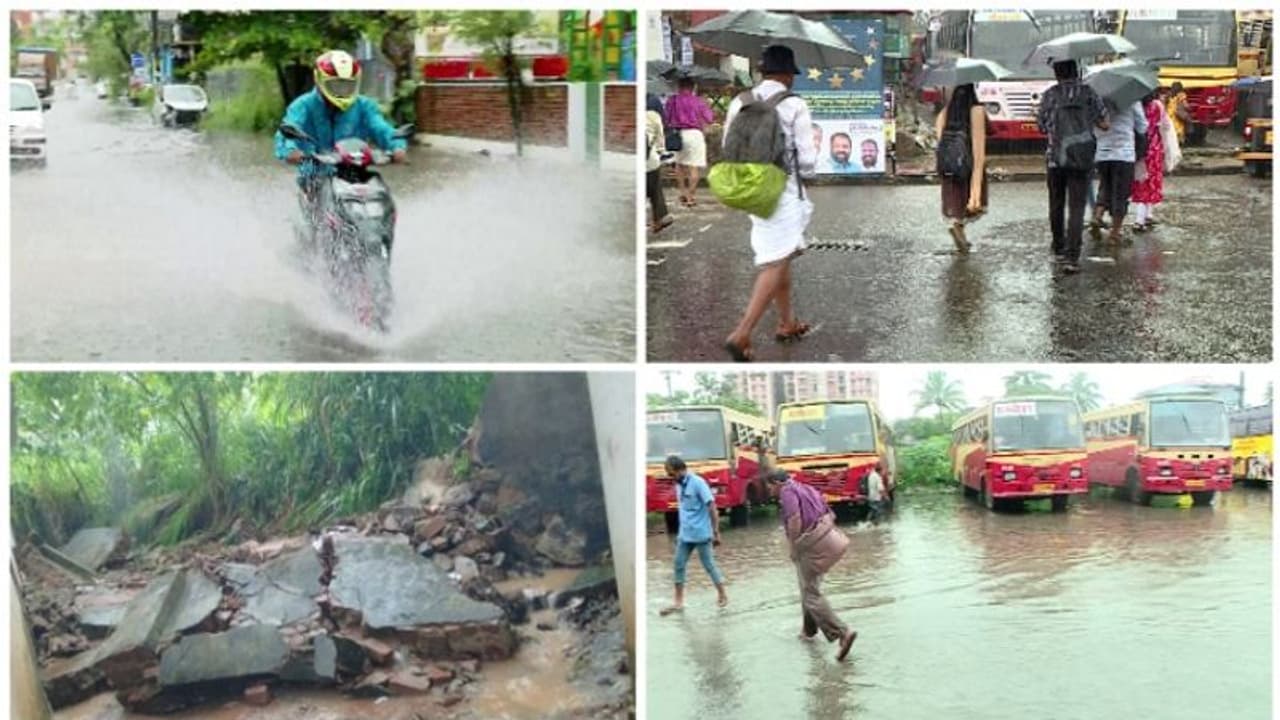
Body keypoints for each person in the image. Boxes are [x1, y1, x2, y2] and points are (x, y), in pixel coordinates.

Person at [722, 44, 817, 362]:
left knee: (781, 253)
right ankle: (741, 333)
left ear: (762, 72)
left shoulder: (740, 101)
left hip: (751, 188)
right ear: (788, 74)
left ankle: (787, 322)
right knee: (775, 262)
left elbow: (727, 146)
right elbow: (807, 162)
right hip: (783, 191)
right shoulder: (794, 104)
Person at [275, 50, 407, 216]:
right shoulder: (302, 106)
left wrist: (397, 146)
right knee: (315, 204)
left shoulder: (365, 106)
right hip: (315, 173)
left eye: (346, 85)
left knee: (379, 191)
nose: (342, 90)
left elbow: (381, 128)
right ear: (319, 80)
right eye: (336, 85)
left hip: (355, 171)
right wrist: (291, 151)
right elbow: (288, 129)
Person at [768, 470, 857, 661]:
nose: (769, 491)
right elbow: (827, 510)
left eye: (769, 486)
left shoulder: (787, 492)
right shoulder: (805, 488)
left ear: (776, 483)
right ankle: (808, 631)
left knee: (810, 594)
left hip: (811, 545)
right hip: (827, 540)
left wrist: (793, 547)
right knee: (808, 587)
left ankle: (843, 632)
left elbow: (794, 519)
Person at [1036, 59, 1109, 274]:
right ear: (1076, 71)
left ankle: (1058, 247)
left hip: (1055, 157)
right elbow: (1104, 124)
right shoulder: (1089, 93)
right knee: (1077, 206)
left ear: (1057, 73)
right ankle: (1072, 257)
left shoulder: (1050, 95)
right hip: (1081, 157)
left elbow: (1041, 127)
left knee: (1056, 203)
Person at [659, 456, 728, 616]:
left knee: (709, 565)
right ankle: (678, 602)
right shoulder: (678, 485)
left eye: (672, 474)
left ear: (681, 470)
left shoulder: (698, 483)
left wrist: (716, 532)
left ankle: (722, 594)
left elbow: (712, 507)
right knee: (678, 564)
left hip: (701, 533)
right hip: (685, 534)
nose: (671, 477)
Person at [935, 83, 989, 253]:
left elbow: (940, 141)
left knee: (954, 203)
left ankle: (958, 229)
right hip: (968, 165)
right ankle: (959, 228)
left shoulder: (945, 113)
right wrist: (976, 192)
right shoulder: (977, 110)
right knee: (968, 203)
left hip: (949, 166)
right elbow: (980, 149)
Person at [1091, 97, 1148, 244]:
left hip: (1102, 154)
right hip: (1124, 154)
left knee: (1105, 186)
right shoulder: (1131, 99)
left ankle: (1097, 216)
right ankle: (1115, 234)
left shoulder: (1097, 100)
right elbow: (1142, 126)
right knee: (1121, 194)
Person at [664, 76, 715, 208]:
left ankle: (683, 192)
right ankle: (691, 196)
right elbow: (709, 119)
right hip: (695, 134)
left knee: (679, 166)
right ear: (693, 87)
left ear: (679, 87)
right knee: (694, 167)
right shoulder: (699, 101)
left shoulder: (672, 100)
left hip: (679, 135)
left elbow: (667, 118)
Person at [1130, 90, 1168, 232]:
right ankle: (1147, 215)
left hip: (1140, 149)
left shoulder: (1135, 107)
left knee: (1142, 182)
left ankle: (1141, 218)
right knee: (1152, 181)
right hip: (1155, 148)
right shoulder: (1158, 106)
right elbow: (1165, 126)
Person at [645, 93, 675, 234]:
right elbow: (660, 143)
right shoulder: (654, 116)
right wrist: (662, 153)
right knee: (655, 190)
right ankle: (659, 218)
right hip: (650, 162)